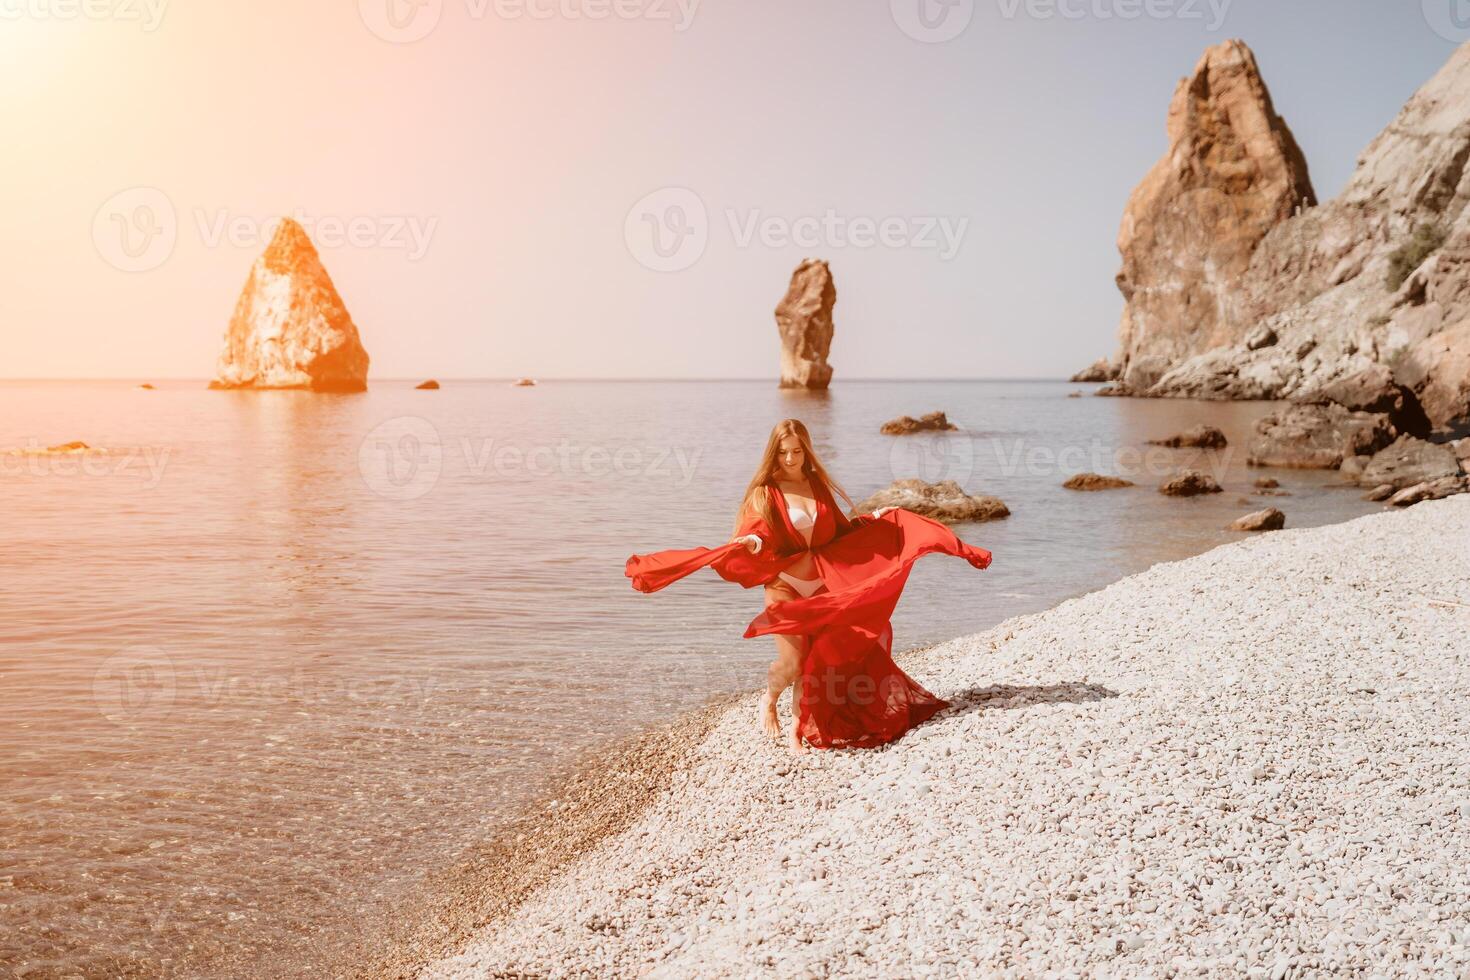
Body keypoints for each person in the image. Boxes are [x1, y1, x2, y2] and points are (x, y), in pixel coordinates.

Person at [625, 418, 992, 753]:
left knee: (819, 660)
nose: (790, 458)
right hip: (785, 584)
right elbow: (756, 530)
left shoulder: (816, 484)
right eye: (783, 452)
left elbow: (837, 530)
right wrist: (753, 542)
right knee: (793, 661)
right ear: (774, 453)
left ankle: (797, 731)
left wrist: (876, 520)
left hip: (821, 582)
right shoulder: (765, 491)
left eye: (797, 451)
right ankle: (769, 701)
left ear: (806, 450)